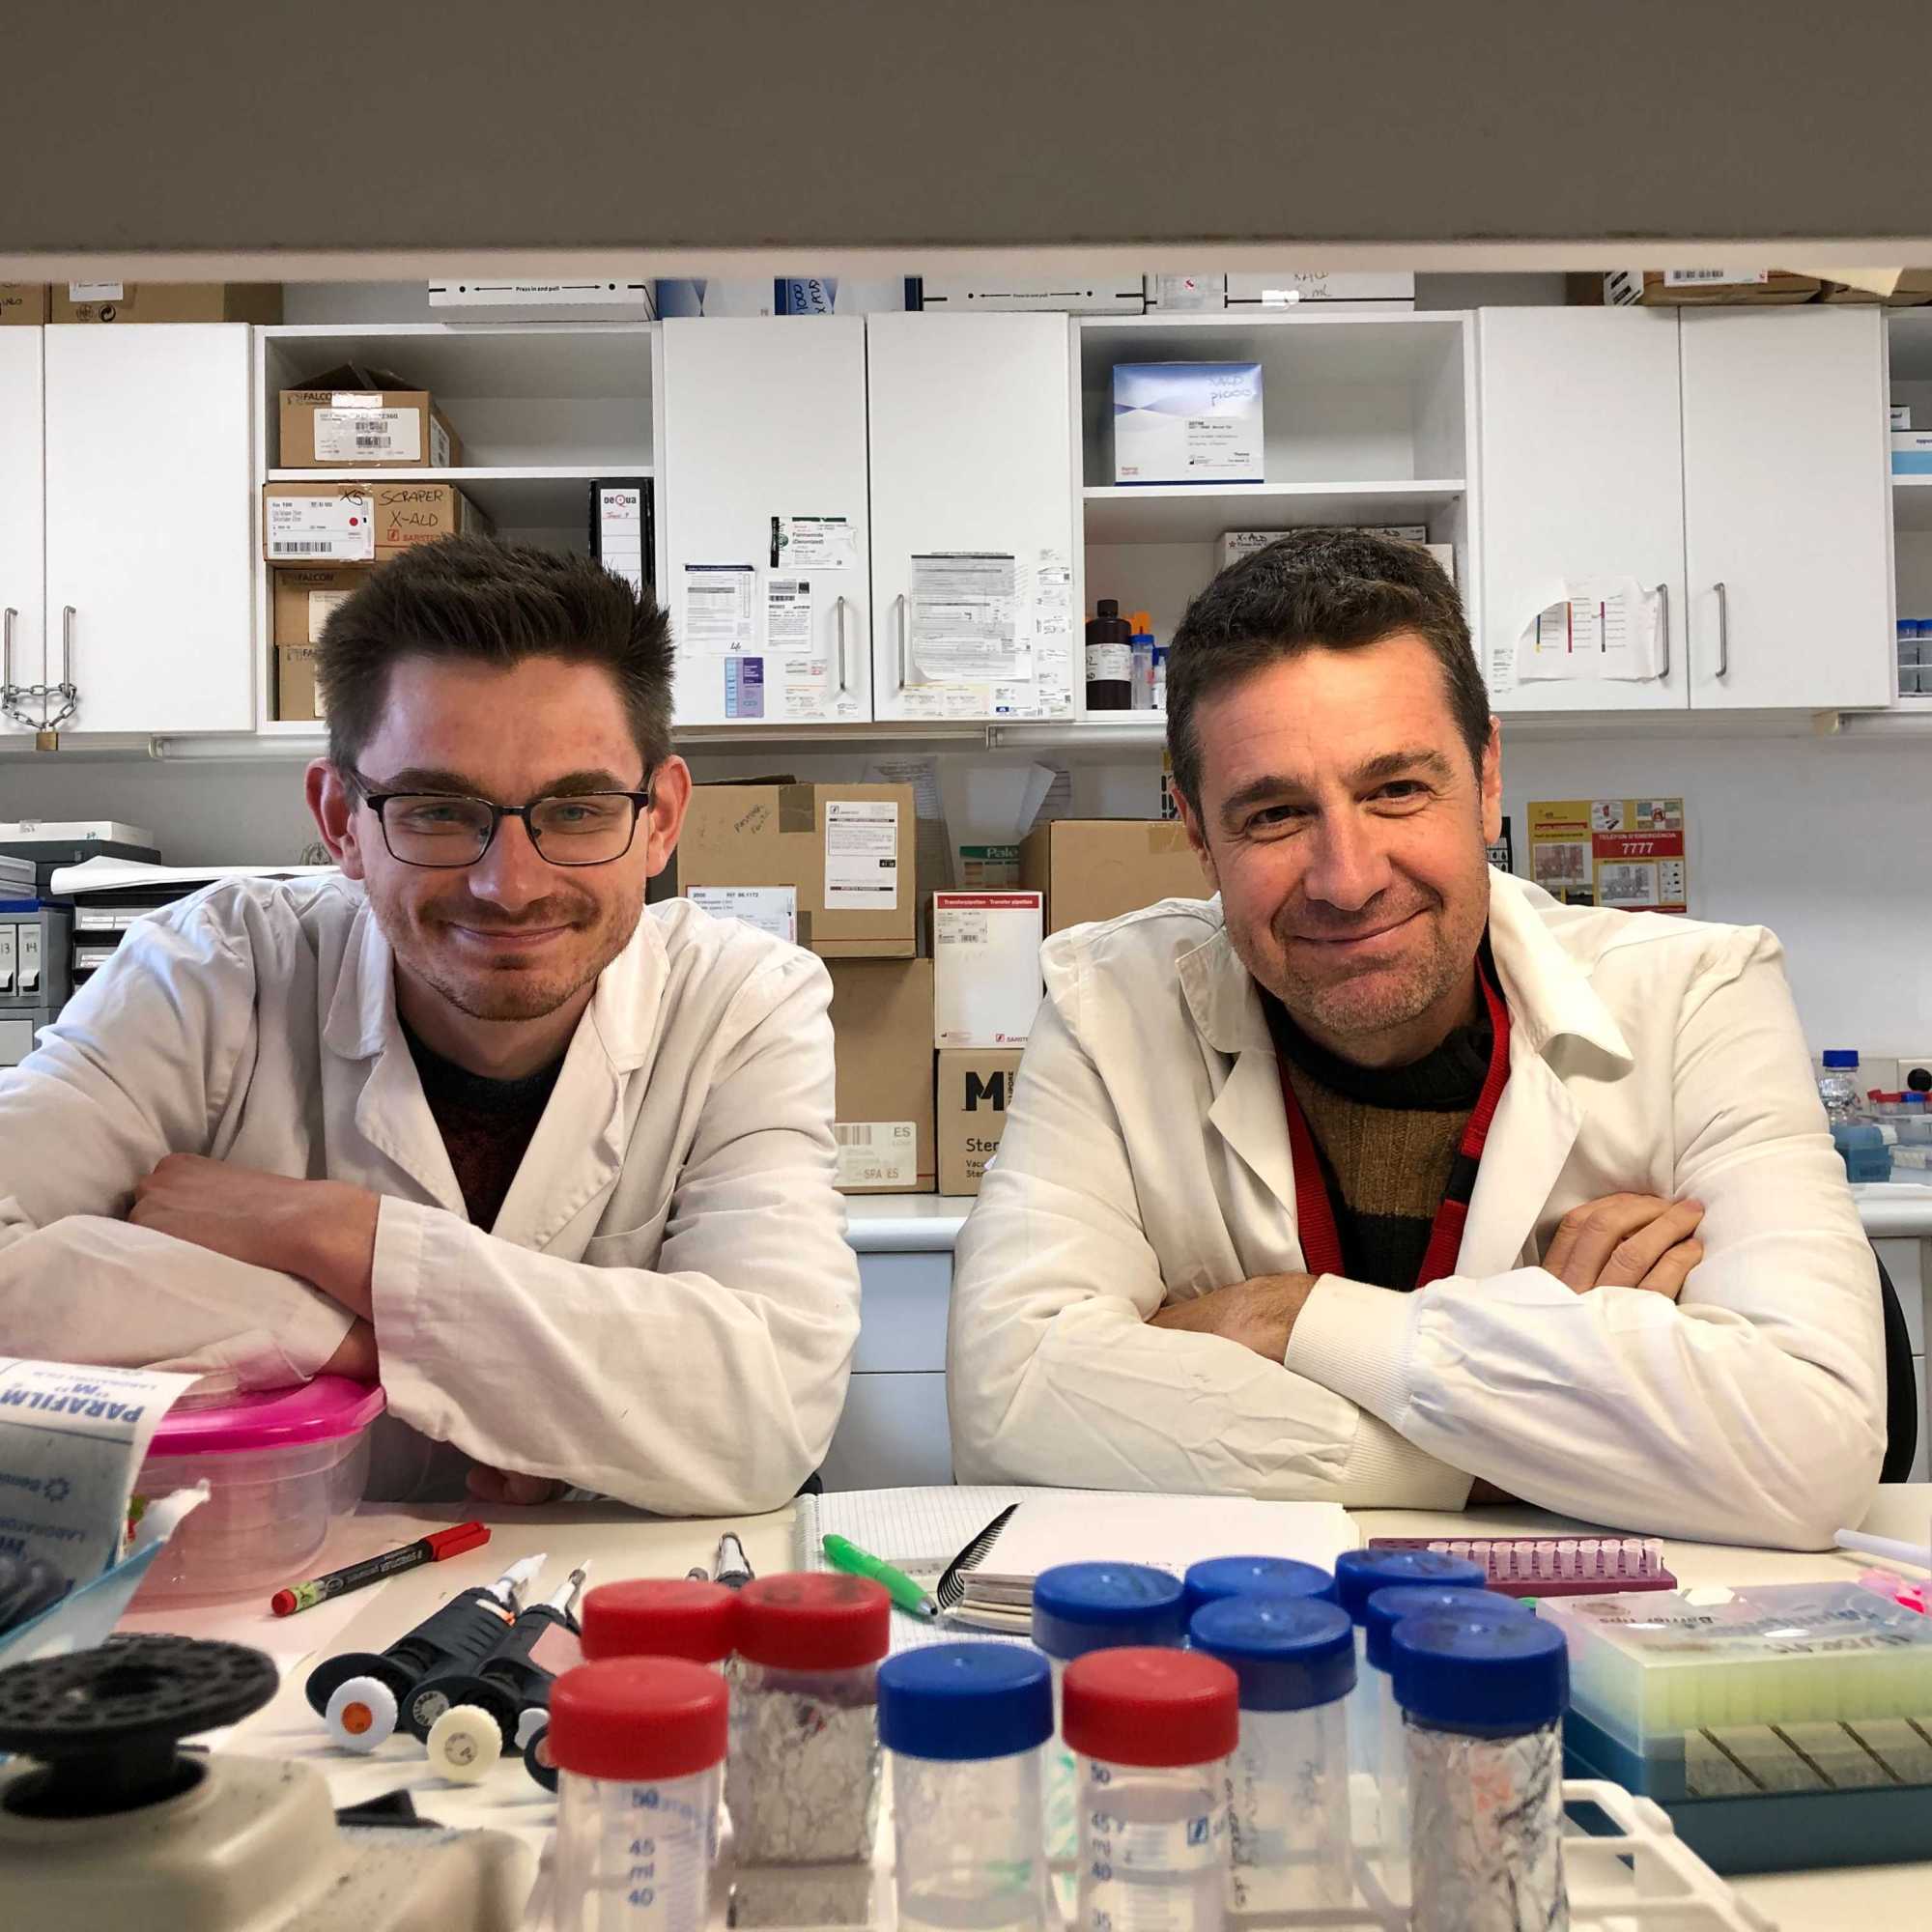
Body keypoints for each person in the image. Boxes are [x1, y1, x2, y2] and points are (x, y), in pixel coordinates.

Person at [948, 530, 1884, 1549]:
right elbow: (1010, 1404)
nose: (1347, 880)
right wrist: (1539, 1418)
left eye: (1395, 789)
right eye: (1274, 813)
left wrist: (1289, 1317)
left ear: (1487, 777)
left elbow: (1811, 1447)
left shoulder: (1697, 995)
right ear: (1196, 831)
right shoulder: (1106, 1005)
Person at [0, 536, 860, 1514]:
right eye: (438, 810)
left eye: (578, 810)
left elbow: (766, 1410)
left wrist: (333, 1233)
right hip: (262, 1579)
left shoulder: (739, 999)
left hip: (614, 1585)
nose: (511, 885)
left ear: (659, 818)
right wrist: (356, 1343)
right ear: (341, 819)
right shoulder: (213, 970)